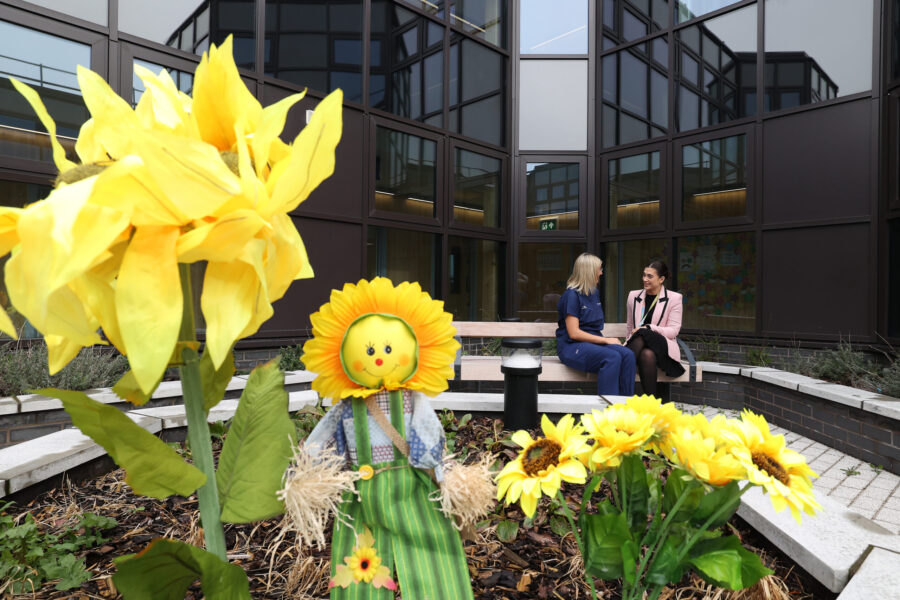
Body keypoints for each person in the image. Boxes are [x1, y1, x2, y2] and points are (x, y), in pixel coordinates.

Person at [556, 253, 636, 396]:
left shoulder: (594, 293)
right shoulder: (572, 296)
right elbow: (574, 333)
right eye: (599, 269)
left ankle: (625, 406)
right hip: (571, 346)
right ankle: (607, 409)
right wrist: (606, 340)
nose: (601, 272)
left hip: (592, 343)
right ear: (589, 271)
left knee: (628, 355)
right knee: (611, 357)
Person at [625, 261, 686, 397]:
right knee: (647, 354)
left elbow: (673, 331)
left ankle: (622, 364)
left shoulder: (674, 298)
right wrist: (634, 335)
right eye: (644, 275)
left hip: (662, 346)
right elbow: (630, 327)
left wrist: (649, 328)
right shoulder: (633, 296)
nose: (645, 279)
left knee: (643, 332)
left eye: (650, 276)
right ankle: (652, 404)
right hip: (641, 348)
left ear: (661, 279)